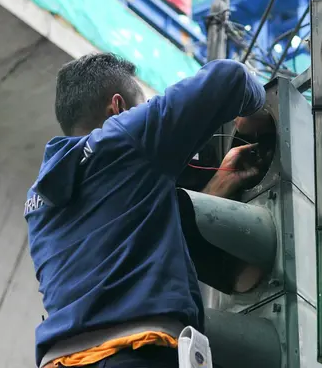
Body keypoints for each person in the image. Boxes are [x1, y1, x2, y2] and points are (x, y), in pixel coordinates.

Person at [24, 53, 271, 368]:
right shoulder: (123, 137)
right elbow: (230, 78)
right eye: (141, 105)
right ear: (119, 108)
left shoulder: (39, 199)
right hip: (136, 354)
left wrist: (218, 186)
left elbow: (135, 249)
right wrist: (255, 105)